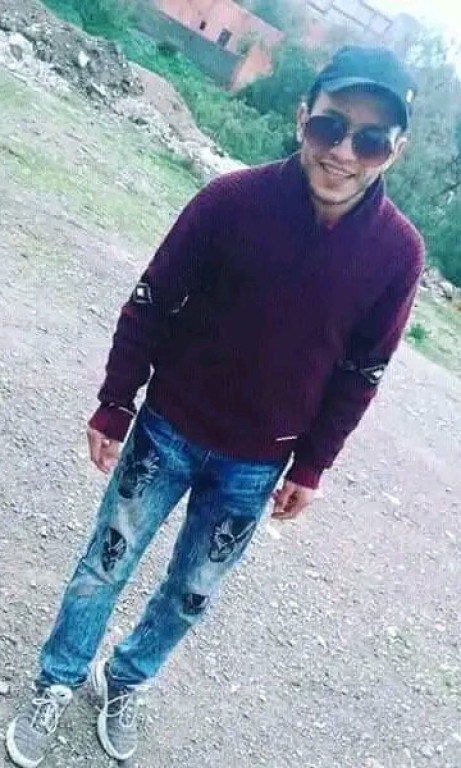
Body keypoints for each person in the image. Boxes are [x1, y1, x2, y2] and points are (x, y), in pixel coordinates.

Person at [6, 45, 424, 767]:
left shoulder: (398, 254)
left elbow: (361, 373)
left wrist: (311, 467)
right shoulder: (230, 202)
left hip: (257, 465)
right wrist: (115, 401)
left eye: (370, 140)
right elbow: (150, 300)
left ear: (396, 150)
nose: (343, 153)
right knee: (104, 565)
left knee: (192, 594)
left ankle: (124, 679)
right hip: (164, 432)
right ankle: (57, 679)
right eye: (330, 127)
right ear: (302, 117)